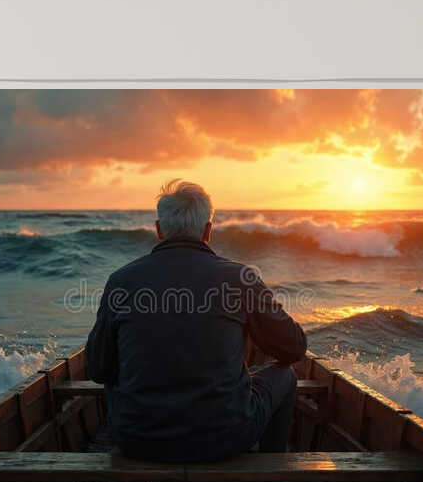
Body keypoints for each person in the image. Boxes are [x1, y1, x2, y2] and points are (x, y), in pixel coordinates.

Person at [84, 179, 308, 463]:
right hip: (224, 438)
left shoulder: (121, 281)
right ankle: (272, 480)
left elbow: (98, 369)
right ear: (208, 231)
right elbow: (294, 349)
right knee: (285, 376)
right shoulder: (240, 278)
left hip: (137, 440)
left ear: (158, 230)